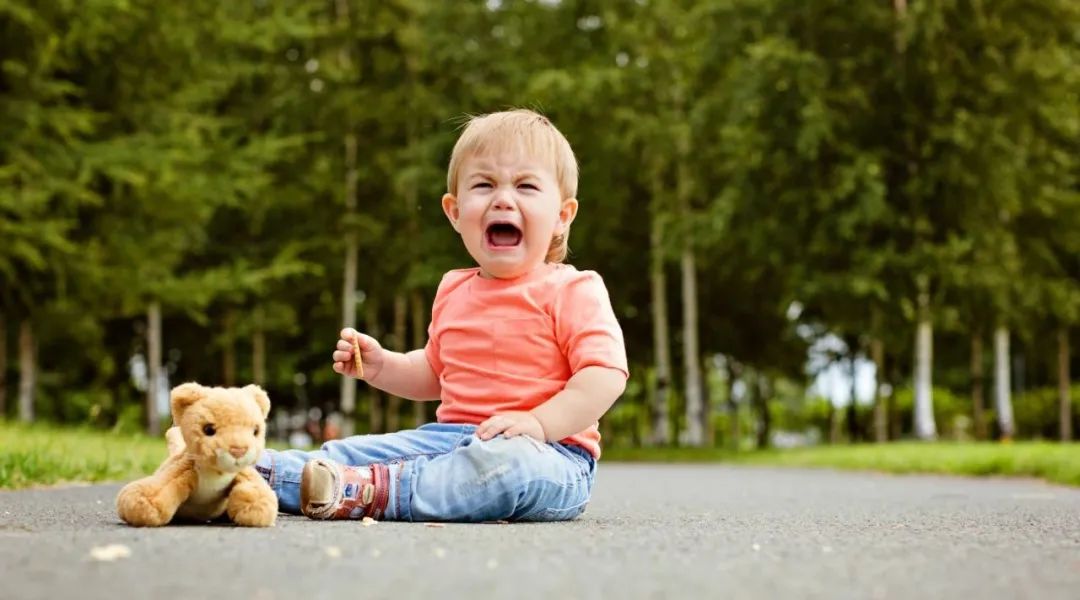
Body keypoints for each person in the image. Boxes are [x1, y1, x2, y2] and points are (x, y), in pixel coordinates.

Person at [256, 109, 628, 522]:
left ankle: (373, 491)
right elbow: (435, 372)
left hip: (551, 455)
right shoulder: (453, 289)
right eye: (484, 184)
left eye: (525, 185)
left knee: (508, 467)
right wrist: (383, 366)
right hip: (446, 441)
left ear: (562, 215)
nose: (503, 198)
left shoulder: (573, 289)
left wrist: (539, 423)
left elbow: (604, 375)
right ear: (454, 211)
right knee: (349, 451)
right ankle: (242, 474)